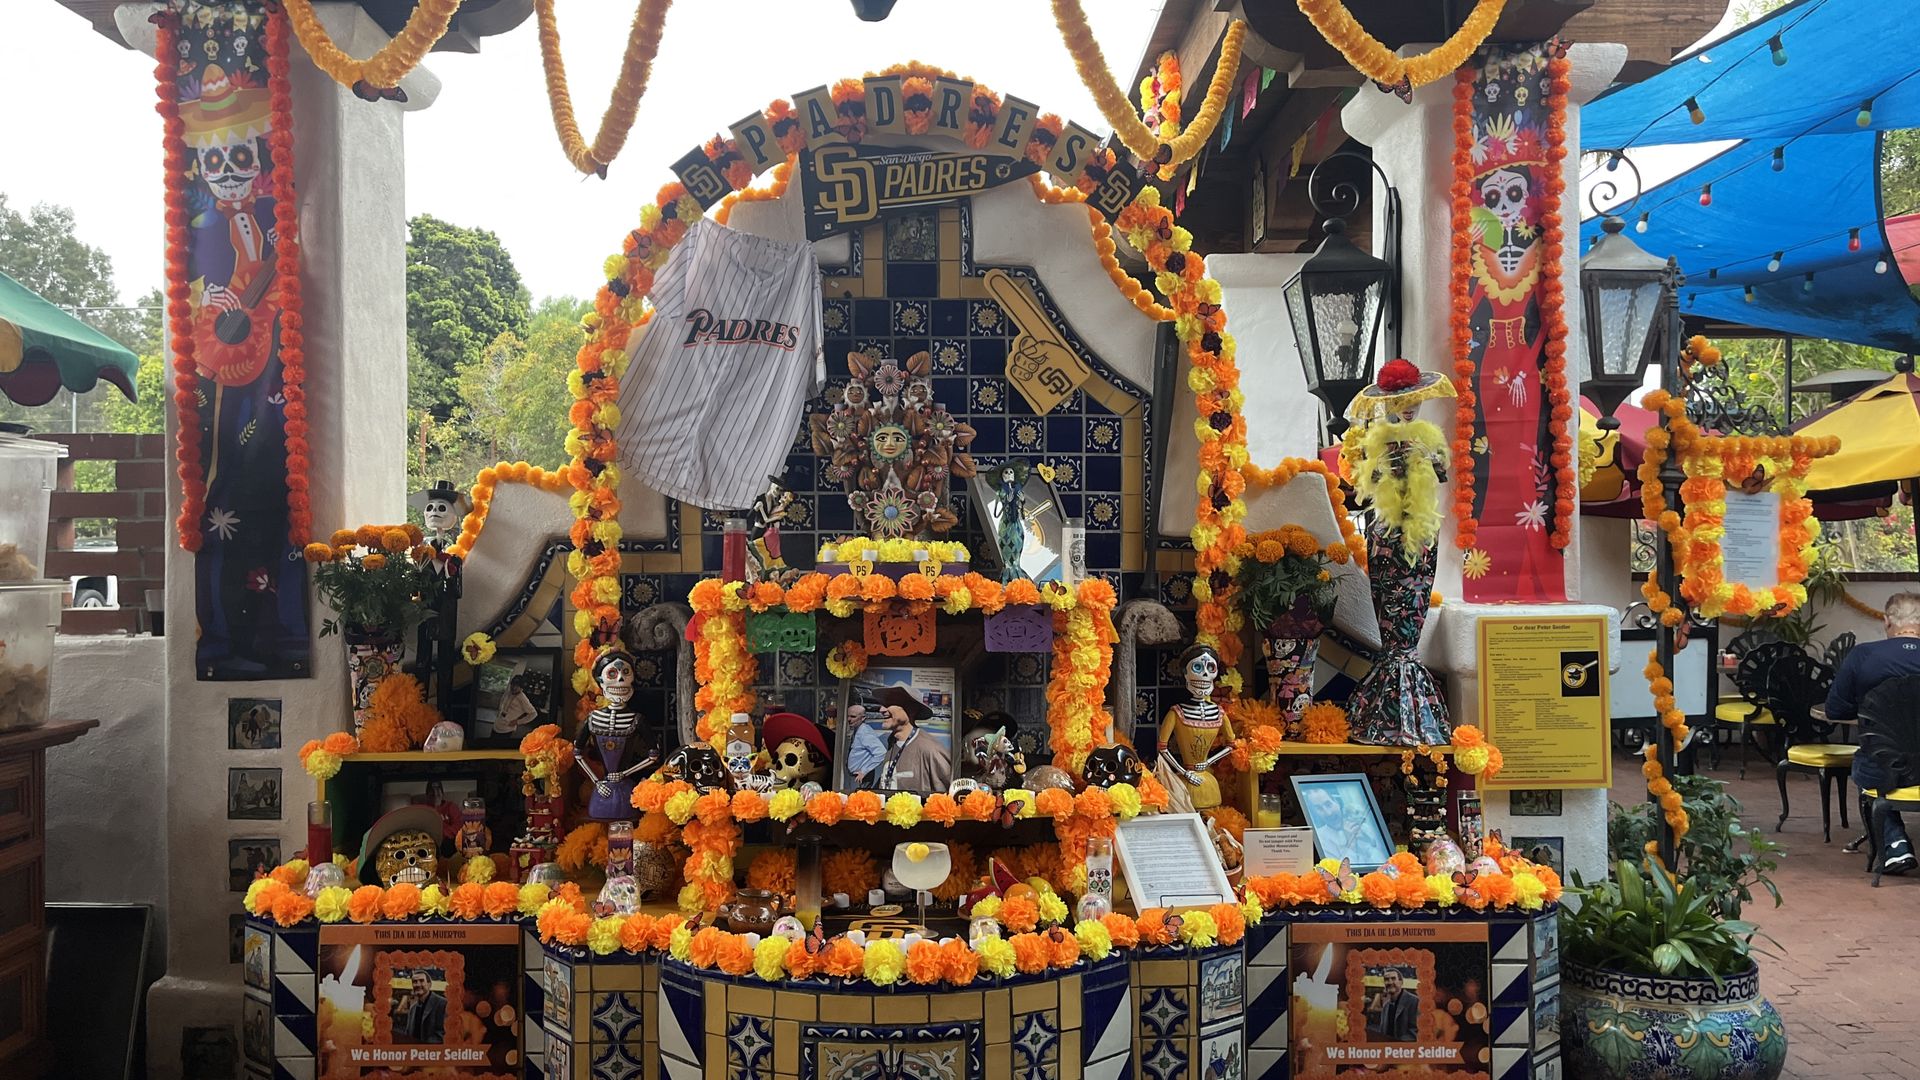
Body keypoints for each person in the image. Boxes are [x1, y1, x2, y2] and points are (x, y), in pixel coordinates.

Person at [1827, 592, 1920, 873]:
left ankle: (1895, 845)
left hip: (1883, 765)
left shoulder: (1863, 656)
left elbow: (1835, 710)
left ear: (1886, 621)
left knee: (1866, 765)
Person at [870, 685, 951, 795]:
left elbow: (949, 797)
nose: (882, 710)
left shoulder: (931, 750)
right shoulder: (890, 742)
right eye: (883, 705)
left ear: (911, 710)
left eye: (889, 704)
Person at [1365, 967, 1419, 1042]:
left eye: (1393, 978)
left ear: (1401, 982)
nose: (1389, 982)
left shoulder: (1414, 1001)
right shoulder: (1386, 1006)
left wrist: (1395, 1045)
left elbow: (1416, 1032)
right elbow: (1383, 1033)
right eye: (1386, 980)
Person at [393, 968, 446, 1042]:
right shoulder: (413, 1009)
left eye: (421, 981)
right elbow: (408, 1034)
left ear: (429, 984)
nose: (417, 984)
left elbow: (443, 1034)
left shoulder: (442, 1004)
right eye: (415, 982)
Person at [844, 703, 889, 784]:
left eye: (853, 716)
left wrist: (864, 771)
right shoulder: (857, 730)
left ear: (863, 718)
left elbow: (881, 753)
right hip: (854, 777)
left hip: (861, 778)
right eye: (848, 716)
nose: (849, 719)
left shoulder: (865, 733)